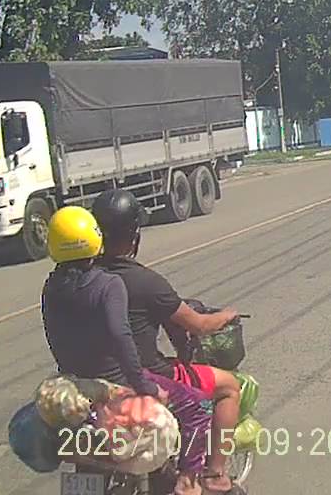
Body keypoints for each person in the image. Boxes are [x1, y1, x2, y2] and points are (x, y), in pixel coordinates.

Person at [40, 206, 211, 495]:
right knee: (199, 406)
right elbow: (121, 336)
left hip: (75, 384)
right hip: (117, 384)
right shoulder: (108, 284)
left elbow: (53, 336)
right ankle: (188, 482)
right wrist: (144, 387)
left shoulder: (51, 287)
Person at [91, 189, 243, 495]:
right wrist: (226, 315)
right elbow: (198, 325)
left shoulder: (84, 276)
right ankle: (211, 475)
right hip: (145, 374)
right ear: (134, 234)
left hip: (93, 376)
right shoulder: (147, 282)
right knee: (228, 388)